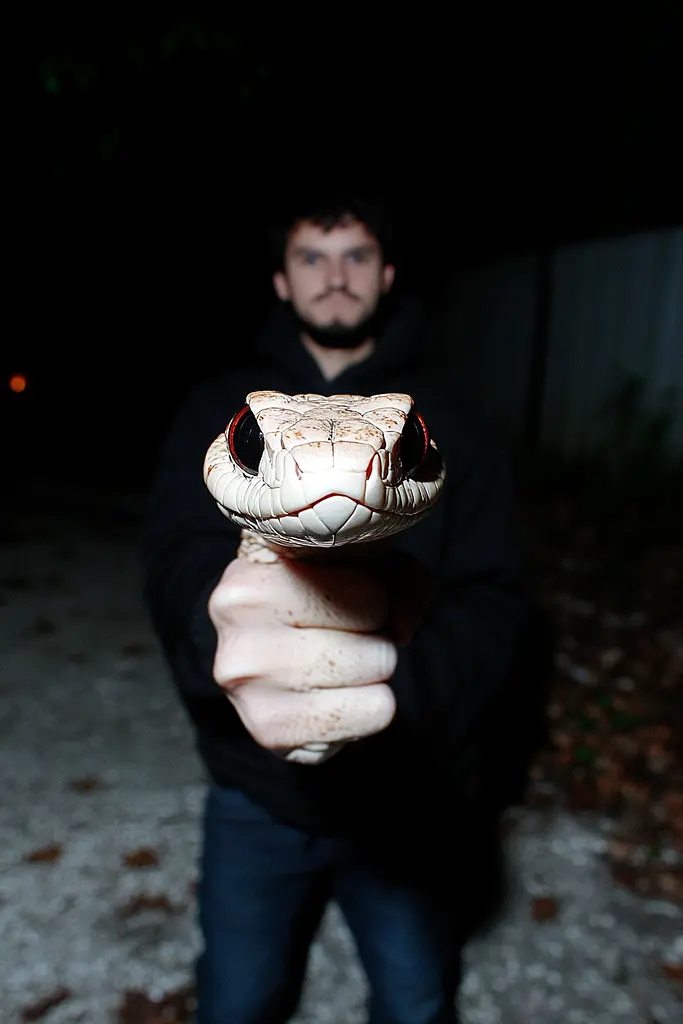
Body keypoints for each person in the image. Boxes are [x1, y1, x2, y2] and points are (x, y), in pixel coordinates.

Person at [141, 192, 530, 1024]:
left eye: (354, 255)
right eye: (312, 257)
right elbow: (171, 561)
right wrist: (220, 625)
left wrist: (392, 686)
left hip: (411, 803)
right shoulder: (216, 406)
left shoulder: (454, 418)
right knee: (238, 1001)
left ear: (386, 275)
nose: (334, 276)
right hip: (251, 796)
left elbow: (499, 602)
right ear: (281, 280)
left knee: (417, 1000)